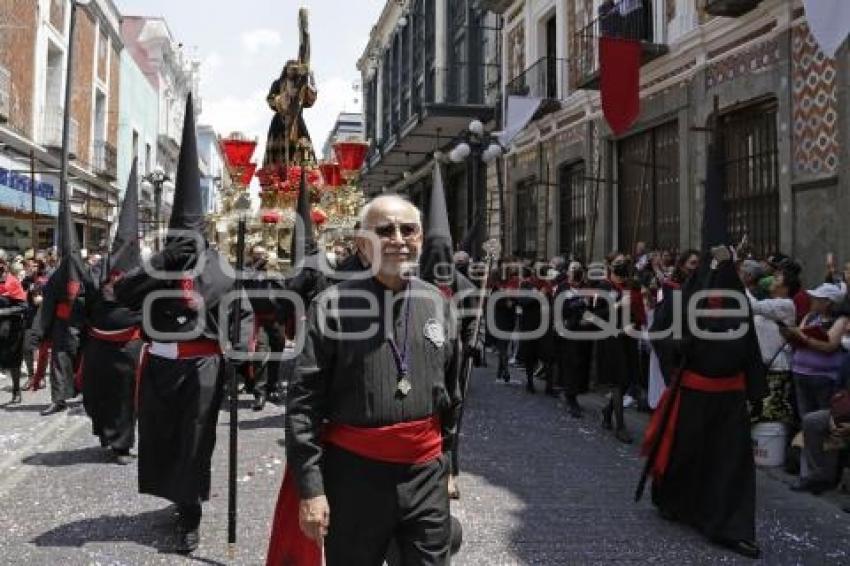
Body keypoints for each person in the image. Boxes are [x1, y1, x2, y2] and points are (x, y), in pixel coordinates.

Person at [266, 195, 462, 566]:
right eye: (385, 230)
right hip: (354, 476)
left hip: (425, 475)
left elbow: (451, 396)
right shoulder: (331, 306)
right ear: (361, 244)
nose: (399, 239)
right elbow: (304, 407)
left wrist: (449, 465)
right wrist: (311, 489)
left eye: (409, 230)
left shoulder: (438, 303)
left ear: (420, 238)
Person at [115, 95, 253, 554]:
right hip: (159, 365)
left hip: (202, 370)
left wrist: (238, 354)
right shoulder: (161, 265)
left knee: (195, 441)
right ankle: (176, 496)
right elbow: (121, 293)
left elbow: (243, 315)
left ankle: (190, 512)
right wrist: (160, 264)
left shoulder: (222, 270)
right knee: (163, 437)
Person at [643, 246, 767, 559]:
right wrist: (679, 352)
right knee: (687, 455)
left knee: (730, 464)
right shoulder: (683, 301)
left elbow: (751, 350)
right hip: (694, 396)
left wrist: (755, 394)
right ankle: (674, 502)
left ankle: (730, 527)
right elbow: (660, 336)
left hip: (729, 399)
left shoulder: (738, 307)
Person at [80, 160, 143, 465]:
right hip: (97, 345)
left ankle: (121, 444)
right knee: (95, 394)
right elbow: (85, 299)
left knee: (122, 397)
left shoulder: (144, 275)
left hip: (127, 347)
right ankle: (106, 435)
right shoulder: (100, 270)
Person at [783, 283, 848, 419]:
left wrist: (802, 336)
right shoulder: (810, 316)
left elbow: (829, 346)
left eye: (817, 298)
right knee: (804, 416)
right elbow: (799, 337)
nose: (812, 300)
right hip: (800, 373)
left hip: (823, 376)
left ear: (828, 302)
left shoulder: (840, 320)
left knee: (822, 416)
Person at [553, 261, 593, 418]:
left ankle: (575, 392)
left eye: (578, 268)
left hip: (583, 332)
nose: (575, 271)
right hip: (568, 331)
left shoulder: (586, 287)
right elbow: (560, 308)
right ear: (568, 272)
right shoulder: (563, 287)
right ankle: (571, 397)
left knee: (581, 363)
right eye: (573, 269)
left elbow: (591, 307)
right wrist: (578, 302)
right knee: (571, 363)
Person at [0, 251, 28, 404]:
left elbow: (24, 306)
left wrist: (3, 312)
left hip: (11, 328)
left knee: (13, 362)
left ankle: (16, 390)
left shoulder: (12, 281)